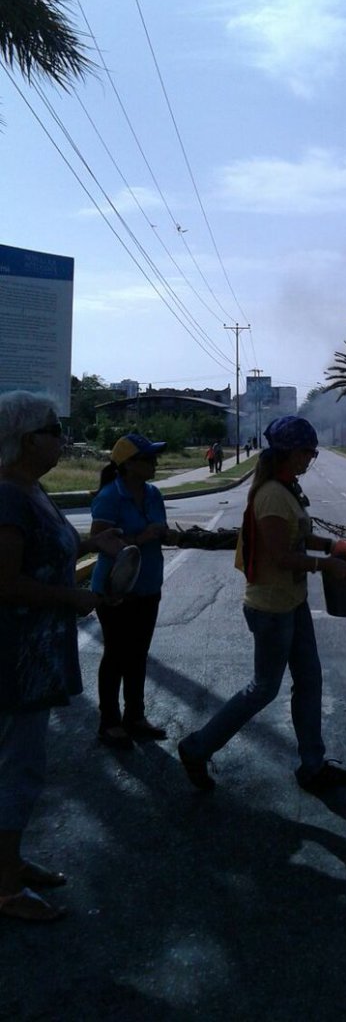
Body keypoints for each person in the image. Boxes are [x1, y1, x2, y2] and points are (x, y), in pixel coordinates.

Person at [178, 415, 346, 795]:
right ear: (290, 453)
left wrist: (330, 546)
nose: (311, 458)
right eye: (308, 452)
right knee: (263, 688)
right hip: (271, 608)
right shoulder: (273, 495)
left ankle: (313, 765)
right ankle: (197, 747)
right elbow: (279, 555)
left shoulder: (286, 488)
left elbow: (297, 539)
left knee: (309, 680)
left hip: (292, 603)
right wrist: (325, 564)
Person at [0, 391, 124, 922]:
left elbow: (48, 557)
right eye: (53, 429)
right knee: (18, 766)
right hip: (14, 658)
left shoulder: (32, 491)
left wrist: (99, 546)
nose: (60, 436)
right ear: (29, 439)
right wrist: (71, 597)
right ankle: (5, 888)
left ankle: (10, 861)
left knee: (19, 761)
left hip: (36, 652)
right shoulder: (8, 497)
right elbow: (6, 583)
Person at [90, 433, 175, 750]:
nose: (154, 463)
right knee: (116, 655)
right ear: (128, 465)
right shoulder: (110, 497)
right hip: (116, 590)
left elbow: (160, 532)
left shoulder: (153, 494)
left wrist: (169, 535)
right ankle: (109, 721)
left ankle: (135, 716)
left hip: (149, 586)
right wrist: (140, 538)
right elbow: (101, 540)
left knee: (138, 654)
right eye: (147, 458)